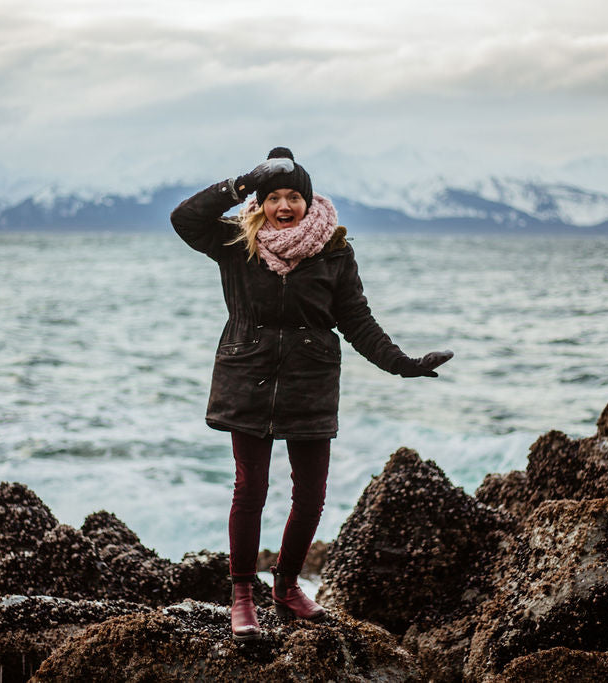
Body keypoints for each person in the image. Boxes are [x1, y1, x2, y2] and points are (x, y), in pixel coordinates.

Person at [170, 147, 453, 641]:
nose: (284, 205)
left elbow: (357, 322)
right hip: (247, 380)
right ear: (260, 202)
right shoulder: (237, 242)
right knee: (250, 491)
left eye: (294, 196)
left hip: (310, 384)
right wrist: (238, 184)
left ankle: (286, 587)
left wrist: (403, 365)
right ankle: (242, 597)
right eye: (274, 196)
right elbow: (183, 219)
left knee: (311, 496)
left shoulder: (334, 251)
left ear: (307, 199)